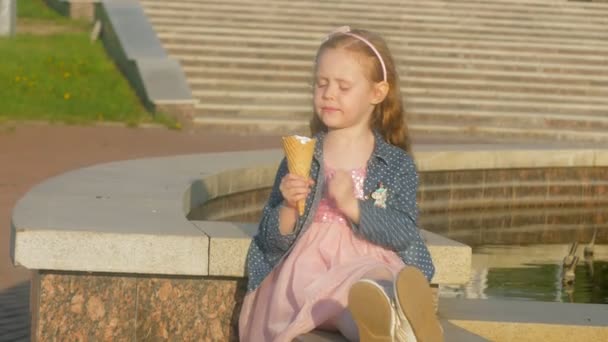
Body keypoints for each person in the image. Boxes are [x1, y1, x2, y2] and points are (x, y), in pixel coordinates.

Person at [239, 26, 443, 342]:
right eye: (321, 84)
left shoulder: (396, 163)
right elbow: (269, 241)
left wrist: (353, 207)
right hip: (308, 270)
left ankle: (388, 327)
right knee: (341, 298)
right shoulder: (304, 156)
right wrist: (289, 207)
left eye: (343, 86)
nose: (329, 94)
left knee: (371, 283)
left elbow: (404, 232)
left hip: (368, 267)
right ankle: (397, 332)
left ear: (377, 93)